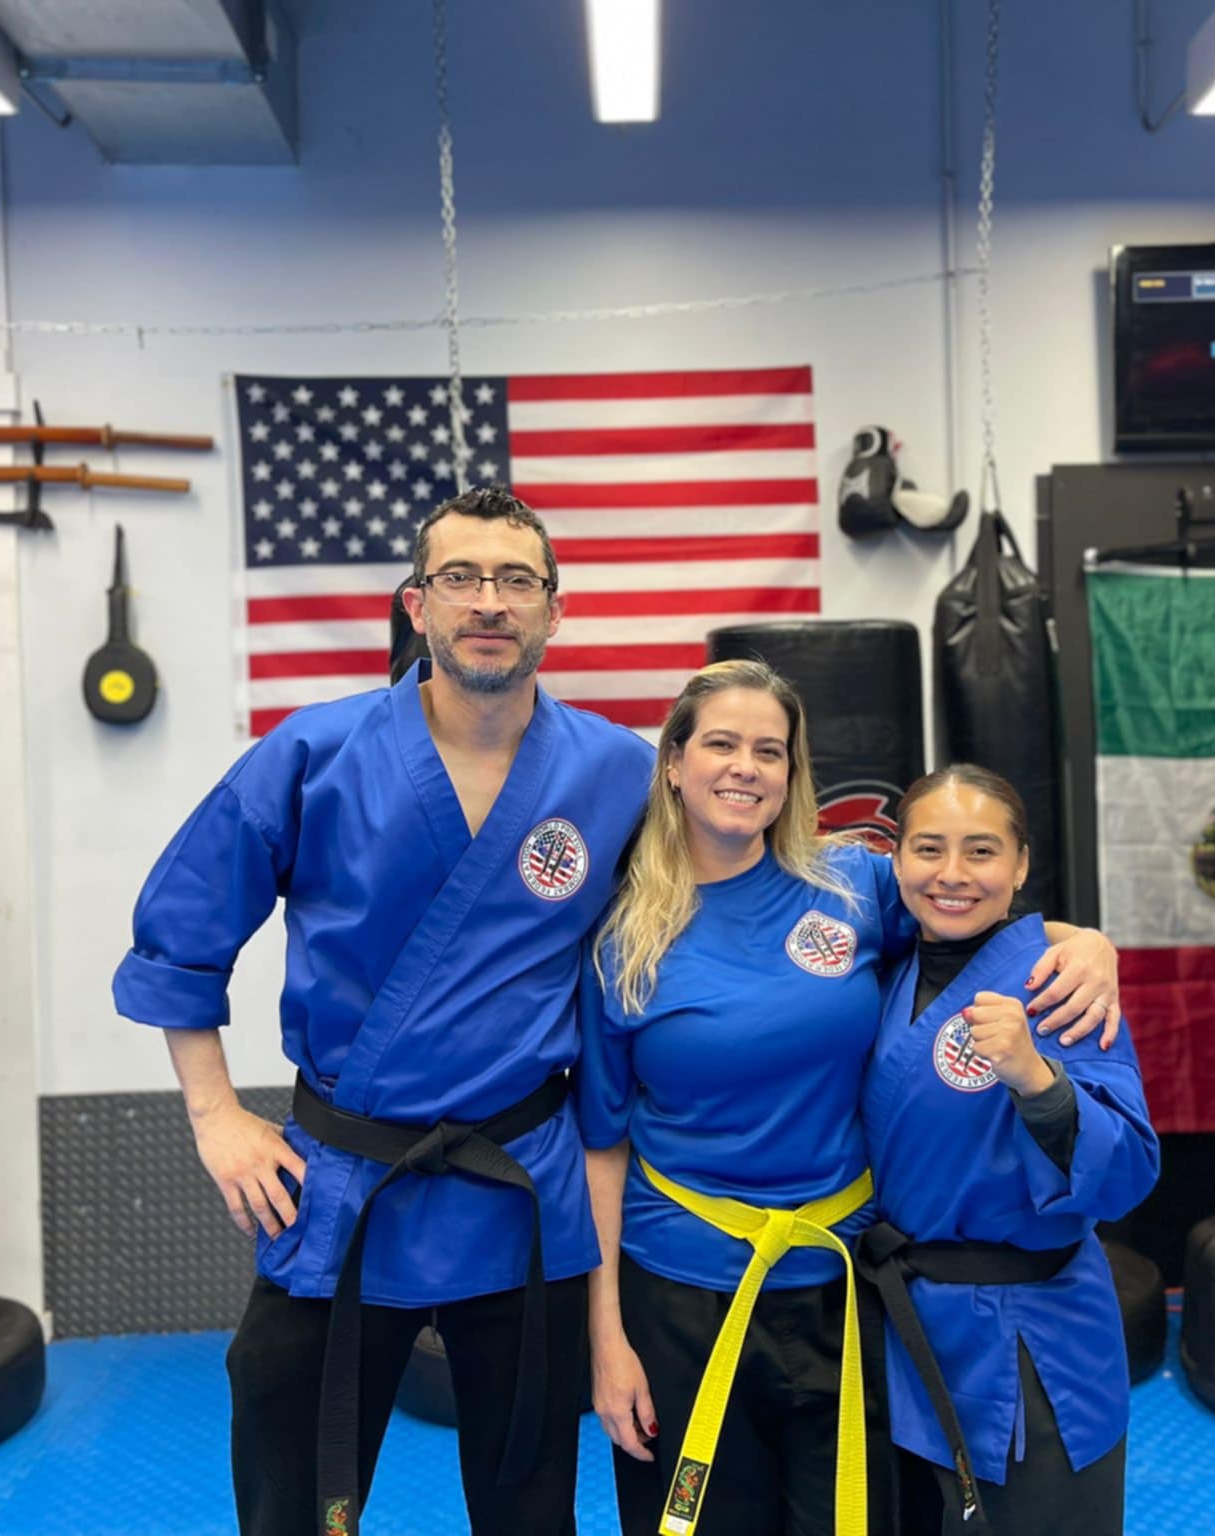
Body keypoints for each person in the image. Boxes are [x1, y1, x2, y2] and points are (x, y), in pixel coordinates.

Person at [112, 487, 654, 1536]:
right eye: (460, 578)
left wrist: (1006, 931)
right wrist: (215, 1116)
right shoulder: (315, 753)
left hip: (521, 1185)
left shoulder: (617, 771)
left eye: (516, 580)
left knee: (531, 1509)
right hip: (346, 1179)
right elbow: (182, 930)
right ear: (417, 604)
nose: (488, 601)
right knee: (292, 1499)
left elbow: (731, 886)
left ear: (553, 609)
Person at [578, 662, 1123, 1536]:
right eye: (721, 744)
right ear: (674, 762)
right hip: (681, 1286)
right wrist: (605, 1338)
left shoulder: (849, 885)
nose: (745, 767)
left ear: (792, 773)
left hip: (844, 1282)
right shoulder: (623, 936)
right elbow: (602, 1145)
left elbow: (969, 912)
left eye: (770, 750)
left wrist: (1085, 942)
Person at [859, 765, 1159, 1536]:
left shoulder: (1058, 985)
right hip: (900, 1328)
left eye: (982, 851)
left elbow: (1127, 1173)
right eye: (929, 848)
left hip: (1026, 1340)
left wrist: (1037, 1080)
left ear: (1021, 866)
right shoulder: (885, 966)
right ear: (897, 861)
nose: (953, 874)